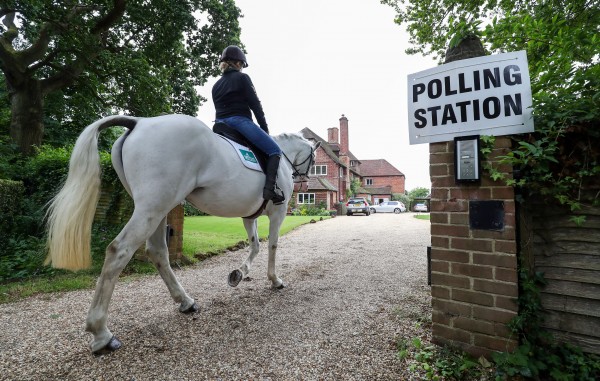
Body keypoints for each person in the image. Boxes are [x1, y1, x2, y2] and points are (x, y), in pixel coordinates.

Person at [212, 45, 285, 204]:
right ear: (238, 63)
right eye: (242, 65)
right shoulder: (242, 78)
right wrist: (264, 129)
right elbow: (255, 105)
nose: (242, 68)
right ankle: (269, 191)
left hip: (219, 125)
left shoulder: (216, 85)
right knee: (274, 150)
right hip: (239, 121)